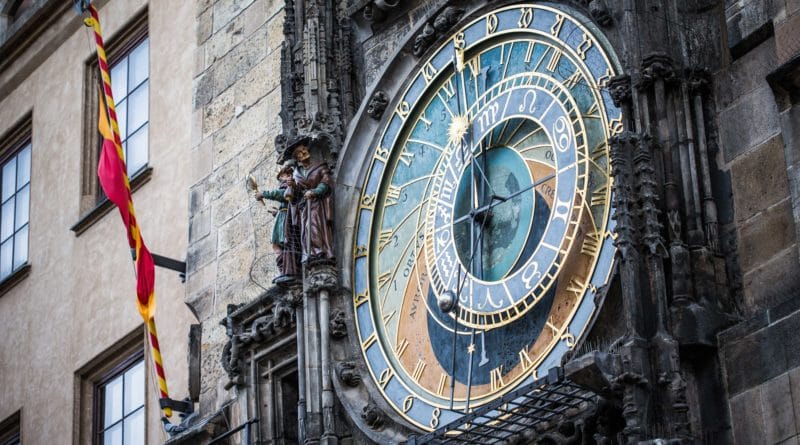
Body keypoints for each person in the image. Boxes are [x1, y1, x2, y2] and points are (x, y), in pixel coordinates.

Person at [286, 137, 335, 263]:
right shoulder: (297, 173)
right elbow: (297, 193)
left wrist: (315, 192)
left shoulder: (320, 166)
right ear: (297, 158)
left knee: (314, 226)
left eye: (304, 150)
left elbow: (326, 181)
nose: (303, 153)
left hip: (317, 204)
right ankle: (308, 253)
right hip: (304, 205)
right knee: (305, 230)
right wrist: (292, 185)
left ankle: (320, 250)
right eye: (299, 153)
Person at [255, 165, 301, 282]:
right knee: (277, 244)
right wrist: (277, 212)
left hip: (286, 219)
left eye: (283, 176)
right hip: (282, 217)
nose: (280, 178)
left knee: (282, 244)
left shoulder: (290, 186)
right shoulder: (286, 185)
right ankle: (283, 269)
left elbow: (282, 195)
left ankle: (286, 269)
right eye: (280, 176)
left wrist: (263, 194)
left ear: (289, 175)